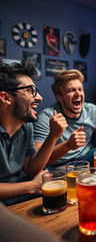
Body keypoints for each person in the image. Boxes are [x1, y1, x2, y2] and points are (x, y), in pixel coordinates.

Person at [33, 69, 96, 174]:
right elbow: (38, 157)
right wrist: (67, 145)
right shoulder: (46, 117)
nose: (78, 94)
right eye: (71, 90)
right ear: (59, 97)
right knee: (48, 178)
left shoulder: (93, 110)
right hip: (57, 165)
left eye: (80, 89)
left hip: (85, 159)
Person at [0, 61, 67, 206]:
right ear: (6, 98)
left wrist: (53, 137)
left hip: (22, 194)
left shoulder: (27, 127)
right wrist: (31, 187)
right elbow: (32, 182)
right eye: (30, 91)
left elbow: (31, 169)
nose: (39, 98)